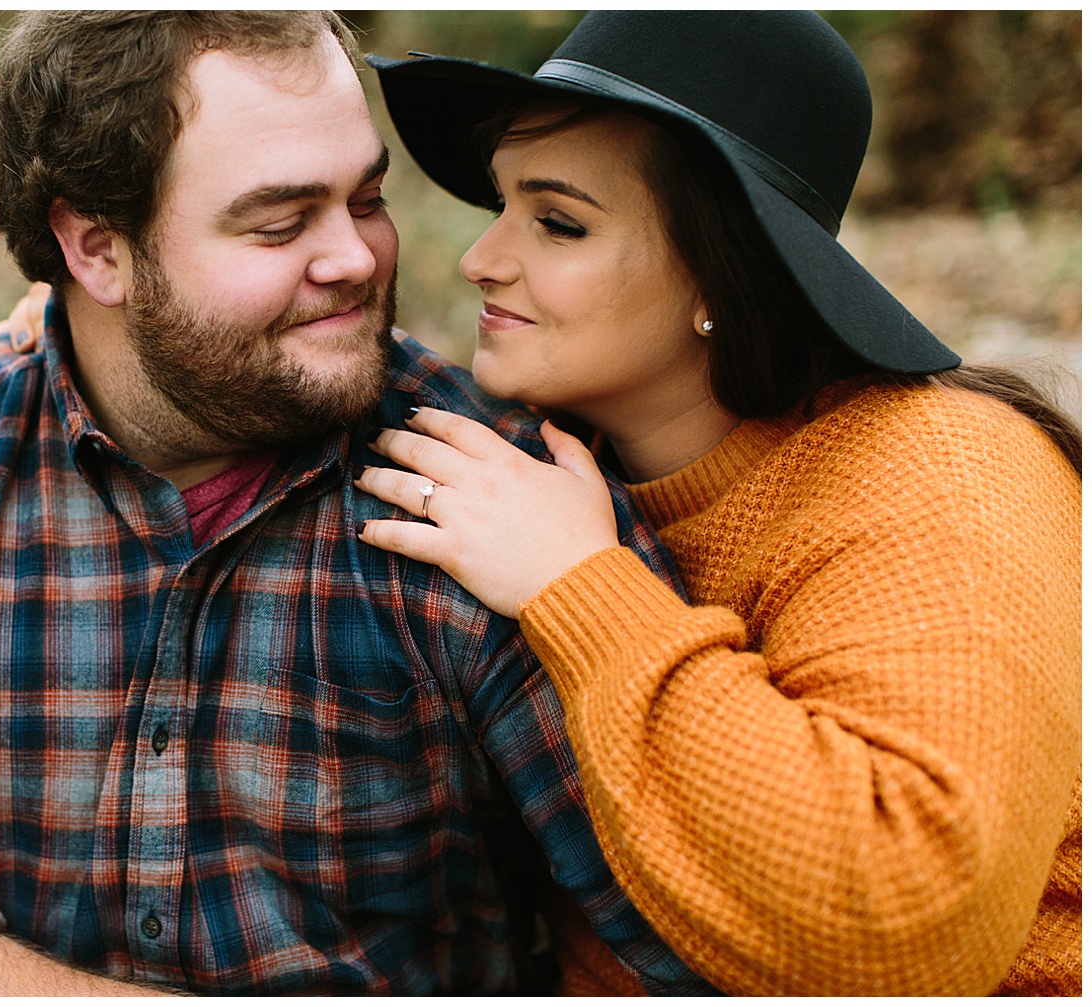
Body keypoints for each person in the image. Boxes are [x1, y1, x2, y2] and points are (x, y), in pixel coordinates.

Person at [0, 11, 716, 997]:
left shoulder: (503, 497)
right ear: (95, 246)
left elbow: (679, 936)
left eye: (366, 198)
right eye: (280, 222)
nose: (357, 258)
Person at [347, 9, 1081, 997]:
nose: (481, 258)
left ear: (721, 277)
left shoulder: (943, 468)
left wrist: (582, 586)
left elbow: (909, 926)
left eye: (558, 221)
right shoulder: (545, 462)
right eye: (502, 206)